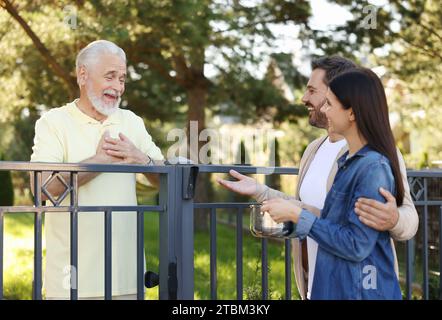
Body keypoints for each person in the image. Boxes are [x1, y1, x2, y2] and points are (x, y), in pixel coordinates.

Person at [217, 56, 418, 299]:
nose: (304, 99)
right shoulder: (315, 149)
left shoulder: (374, 160)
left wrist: (394, 218)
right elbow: (315, 210)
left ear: (340, 93)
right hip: (320, 283)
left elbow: (400, 222)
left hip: (357, 288)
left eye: (312, 90)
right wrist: (261, 192)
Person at [30, 40, 164, 299]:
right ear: (83, 75)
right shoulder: (53, 122)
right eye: (110, 76)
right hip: (71, 285)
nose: (118, 87)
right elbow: (41, 188)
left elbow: (165, 181)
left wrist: (142, 159)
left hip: (128, 280)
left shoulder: (132, 122)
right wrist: (97, 163)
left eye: (122, 79)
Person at [260, 68, 404, 299]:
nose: (324, 111)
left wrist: (298, 215)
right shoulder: (348, 163)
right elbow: (334, 225)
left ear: (352, 113)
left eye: (329, 104)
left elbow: (356, 244)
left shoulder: (373, 168)